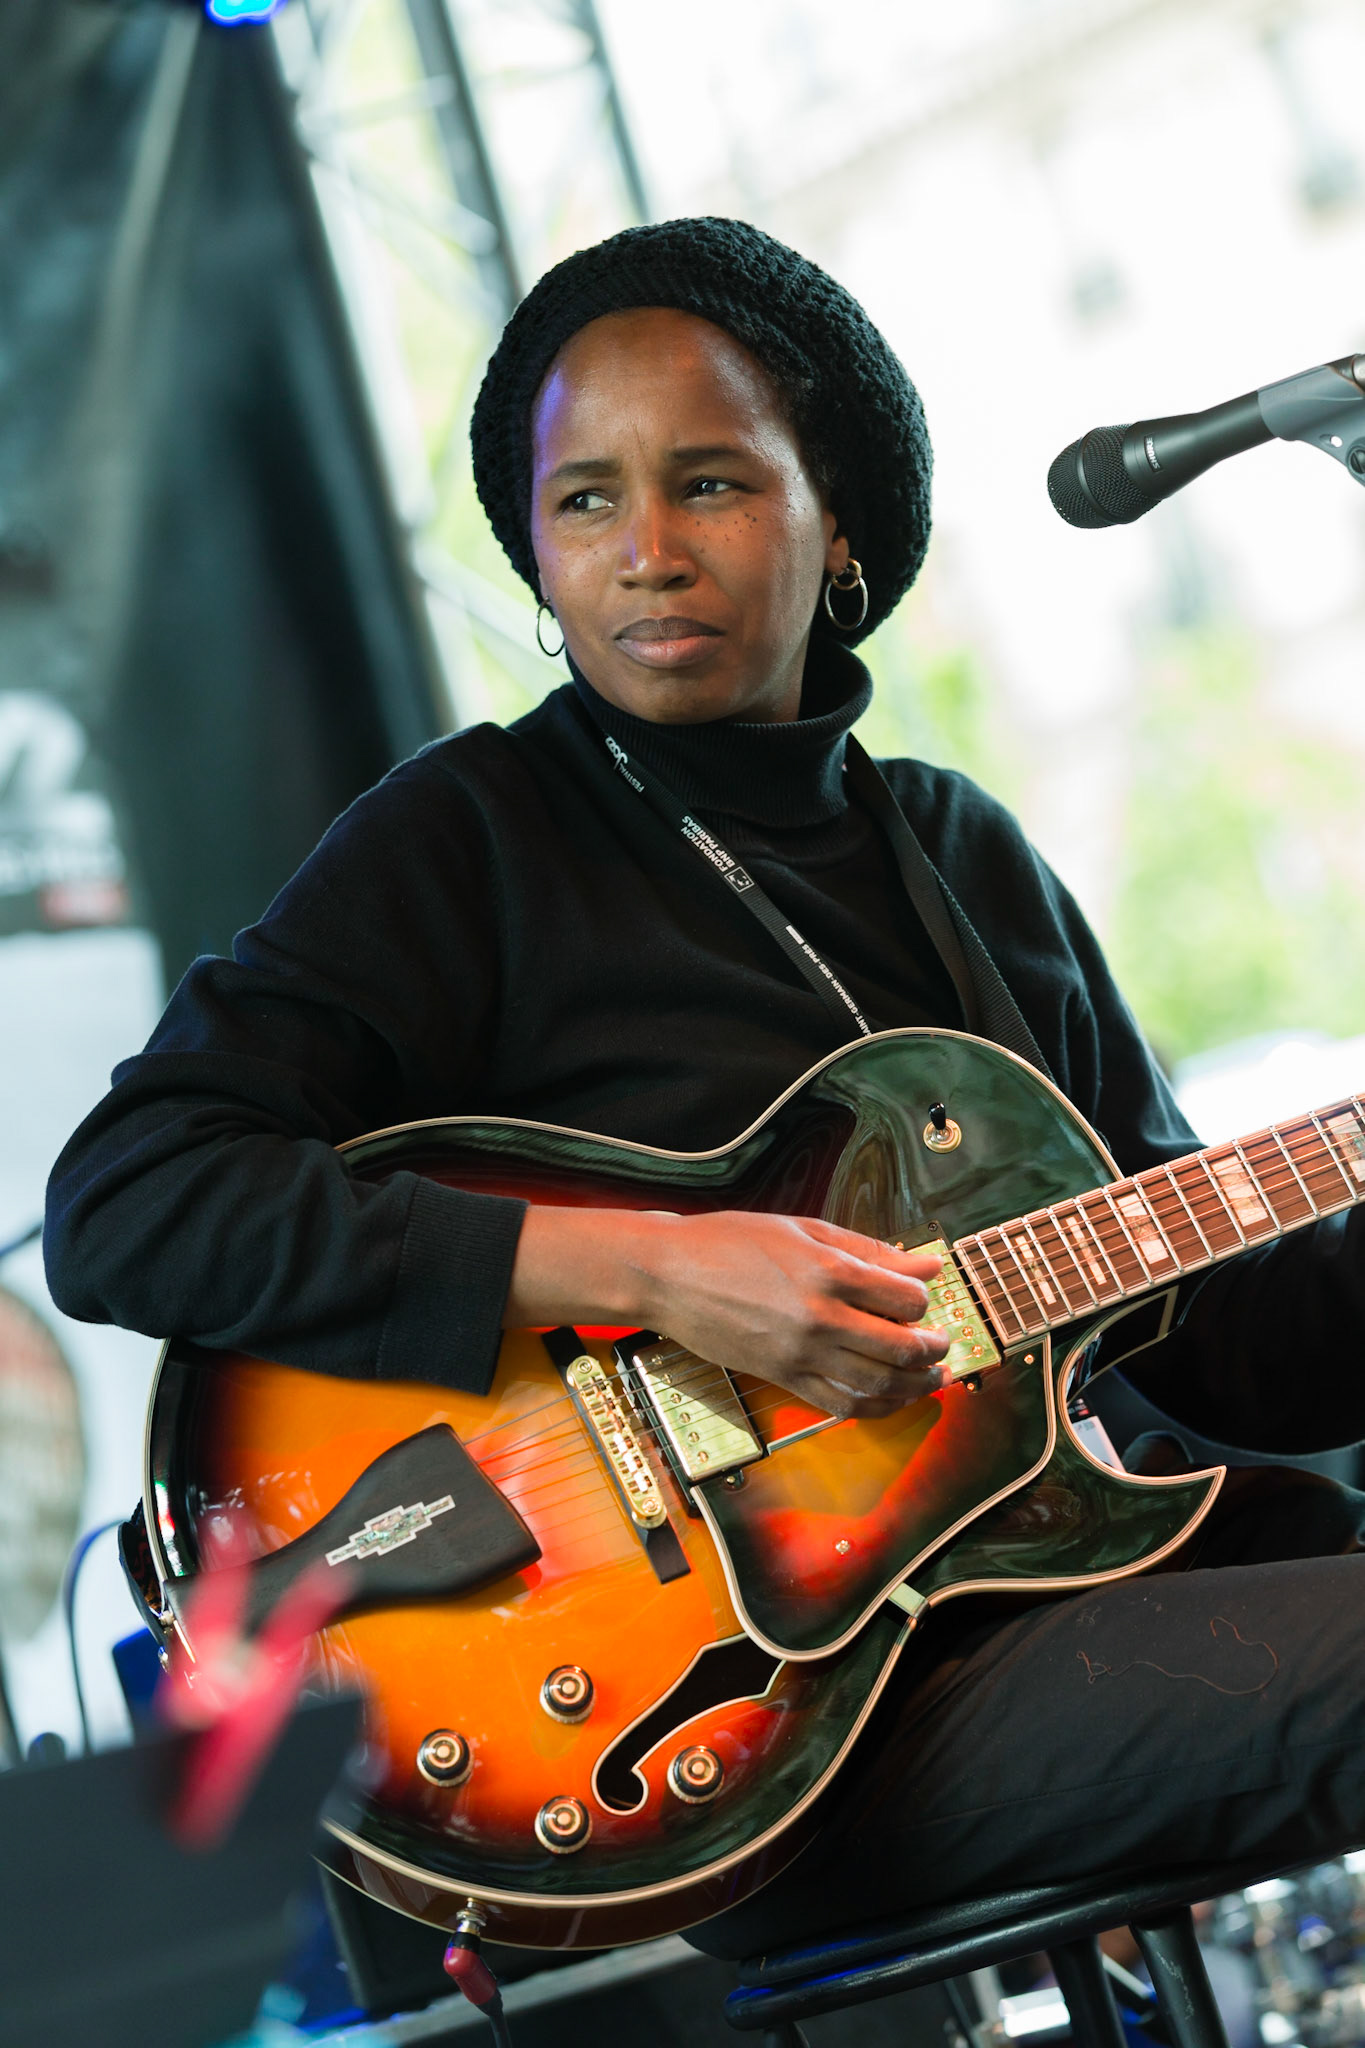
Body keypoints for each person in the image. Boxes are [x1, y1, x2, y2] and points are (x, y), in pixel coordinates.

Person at [43, 217, 1365, 1954]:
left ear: (839, 530)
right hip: (760, 1728)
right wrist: (653, 1270)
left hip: (1057, 1584)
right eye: (584, 501)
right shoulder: (470, 842)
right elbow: (128, 1203)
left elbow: (1220, 1343)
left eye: (712, 485)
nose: (645, 552)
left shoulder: (960, 853)